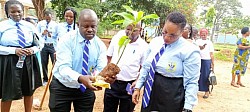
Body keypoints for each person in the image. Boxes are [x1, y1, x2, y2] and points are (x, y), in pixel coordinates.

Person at [132, 12, 201, 112]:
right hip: (151, 89)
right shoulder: (155, 42)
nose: (167, 37)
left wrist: (188, 107)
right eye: (165, 32)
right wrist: (138, 87)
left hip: (172, 93)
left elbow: (191, 81)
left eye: (173, 35)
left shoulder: (189, 50)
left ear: (182, 32)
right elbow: (147, 67)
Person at [49, 9, 115, 112]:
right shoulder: (66, 40)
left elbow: (100, 68)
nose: (90, 30)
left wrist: (102, 78)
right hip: (62, 86)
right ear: (78, 25)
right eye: (86, 26)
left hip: (85, 88)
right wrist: (80, 78)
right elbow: (64, 68)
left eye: (93, 26)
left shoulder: (100, 46)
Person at [0, 1, 42, 112]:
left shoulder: (30, 26)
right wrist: (13, 50)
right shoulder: (2, 26)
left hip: (28, 60)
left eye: (19, 11)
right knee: (7, 91)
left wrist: (32, 50)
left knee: (29, 89)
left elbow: (39, 43)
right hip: (9, 61)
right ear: (7, 13)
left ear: (23, 12)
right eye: (12, 11)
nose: (16, 14)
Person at [104, 23, 148, 112]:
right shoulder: (117, 39)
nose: (130, 32)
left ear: (140, 31)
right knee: (108, 109)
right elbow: (109, 56)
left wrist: (137, 81)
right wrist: (109, 73)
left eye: (134, 30)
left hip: (130, 85)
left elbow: (144, 67)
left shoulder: (144, 46)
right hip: (113, 83)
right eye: (128, 29)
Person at [36, 10, 57, 86]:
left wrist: (52, 35)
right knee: (44, 63)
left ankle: (55, 79)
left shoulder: (55, 24)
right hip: (43, 45)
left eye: (50, 18)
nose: (48, 20)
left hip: (52, 45)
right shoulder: (40, 24)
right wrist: (42, 33)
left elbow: (57, 35)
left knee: (54, 62)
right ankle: (45, 79)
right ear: (44, 17)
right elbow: (36, 34)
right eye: (47, 18)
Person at [196, 28, 214, 98]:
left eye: (205, 34)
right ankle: (196, 90)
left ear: (207, 34)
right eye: (202, 33)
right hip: (198, 60)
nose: (203, 35)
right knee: (197, 75)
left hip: (206, 61)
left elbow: (211, 54)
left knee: (206, 76)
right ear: (200, 34)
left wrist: (212, 64)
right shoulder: (197, 41)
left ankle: (206, 91)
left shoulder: (209, 43)